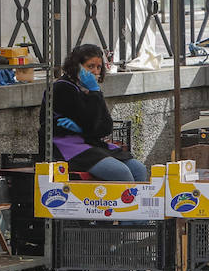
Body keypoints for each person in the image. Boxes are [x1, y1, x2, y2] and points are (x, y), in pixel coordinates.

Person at [47, 43, 149, 181]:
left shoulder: (91, 90)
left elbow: (106, 127)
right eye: (90, 66)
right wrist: (94, 94)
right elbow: (89, 124)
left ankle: (137, 202)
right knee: (120, 172)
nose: (95, 71)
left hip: (90, 144)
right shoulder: (63, 88)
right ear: (76, 66)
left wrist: (95, 94)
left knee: (138, 169)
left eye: (98, 67)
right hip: (66, 146)